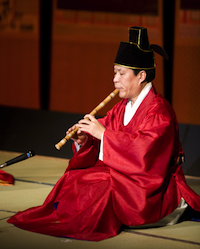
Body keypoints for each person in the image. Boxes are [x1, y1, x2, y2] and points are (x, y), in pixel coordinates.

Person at [7, 26, 200, 241]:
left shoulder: (159, 111)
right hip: (128, 177)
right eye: (114, 72)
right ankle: (70, 215)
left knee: (102, 187)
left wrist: (104, 135)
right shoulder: (122, 107)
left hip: (156, 188)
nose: (114, 79)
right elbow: (103, 129)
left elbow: (145, 152)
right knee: (77, 177)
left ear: (141, 75)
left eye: (121, 73)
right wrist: (84, 139)